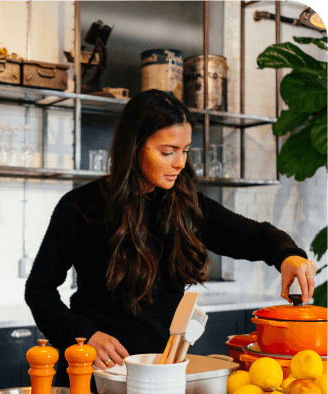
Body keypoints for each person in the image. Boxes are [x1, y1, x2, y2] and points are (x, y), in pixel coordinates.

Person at [25, 89, 317, 375]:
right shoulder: (80, 207)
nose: (179, 163)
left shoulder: (187, 206)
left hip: (161, 375)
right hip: (92, 374)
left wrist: (288, 256)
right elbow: (39, 290)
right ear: (134, 146)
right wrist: (84, 335)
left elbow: (258, 237)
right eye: (167, 152)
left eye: (185, 151)